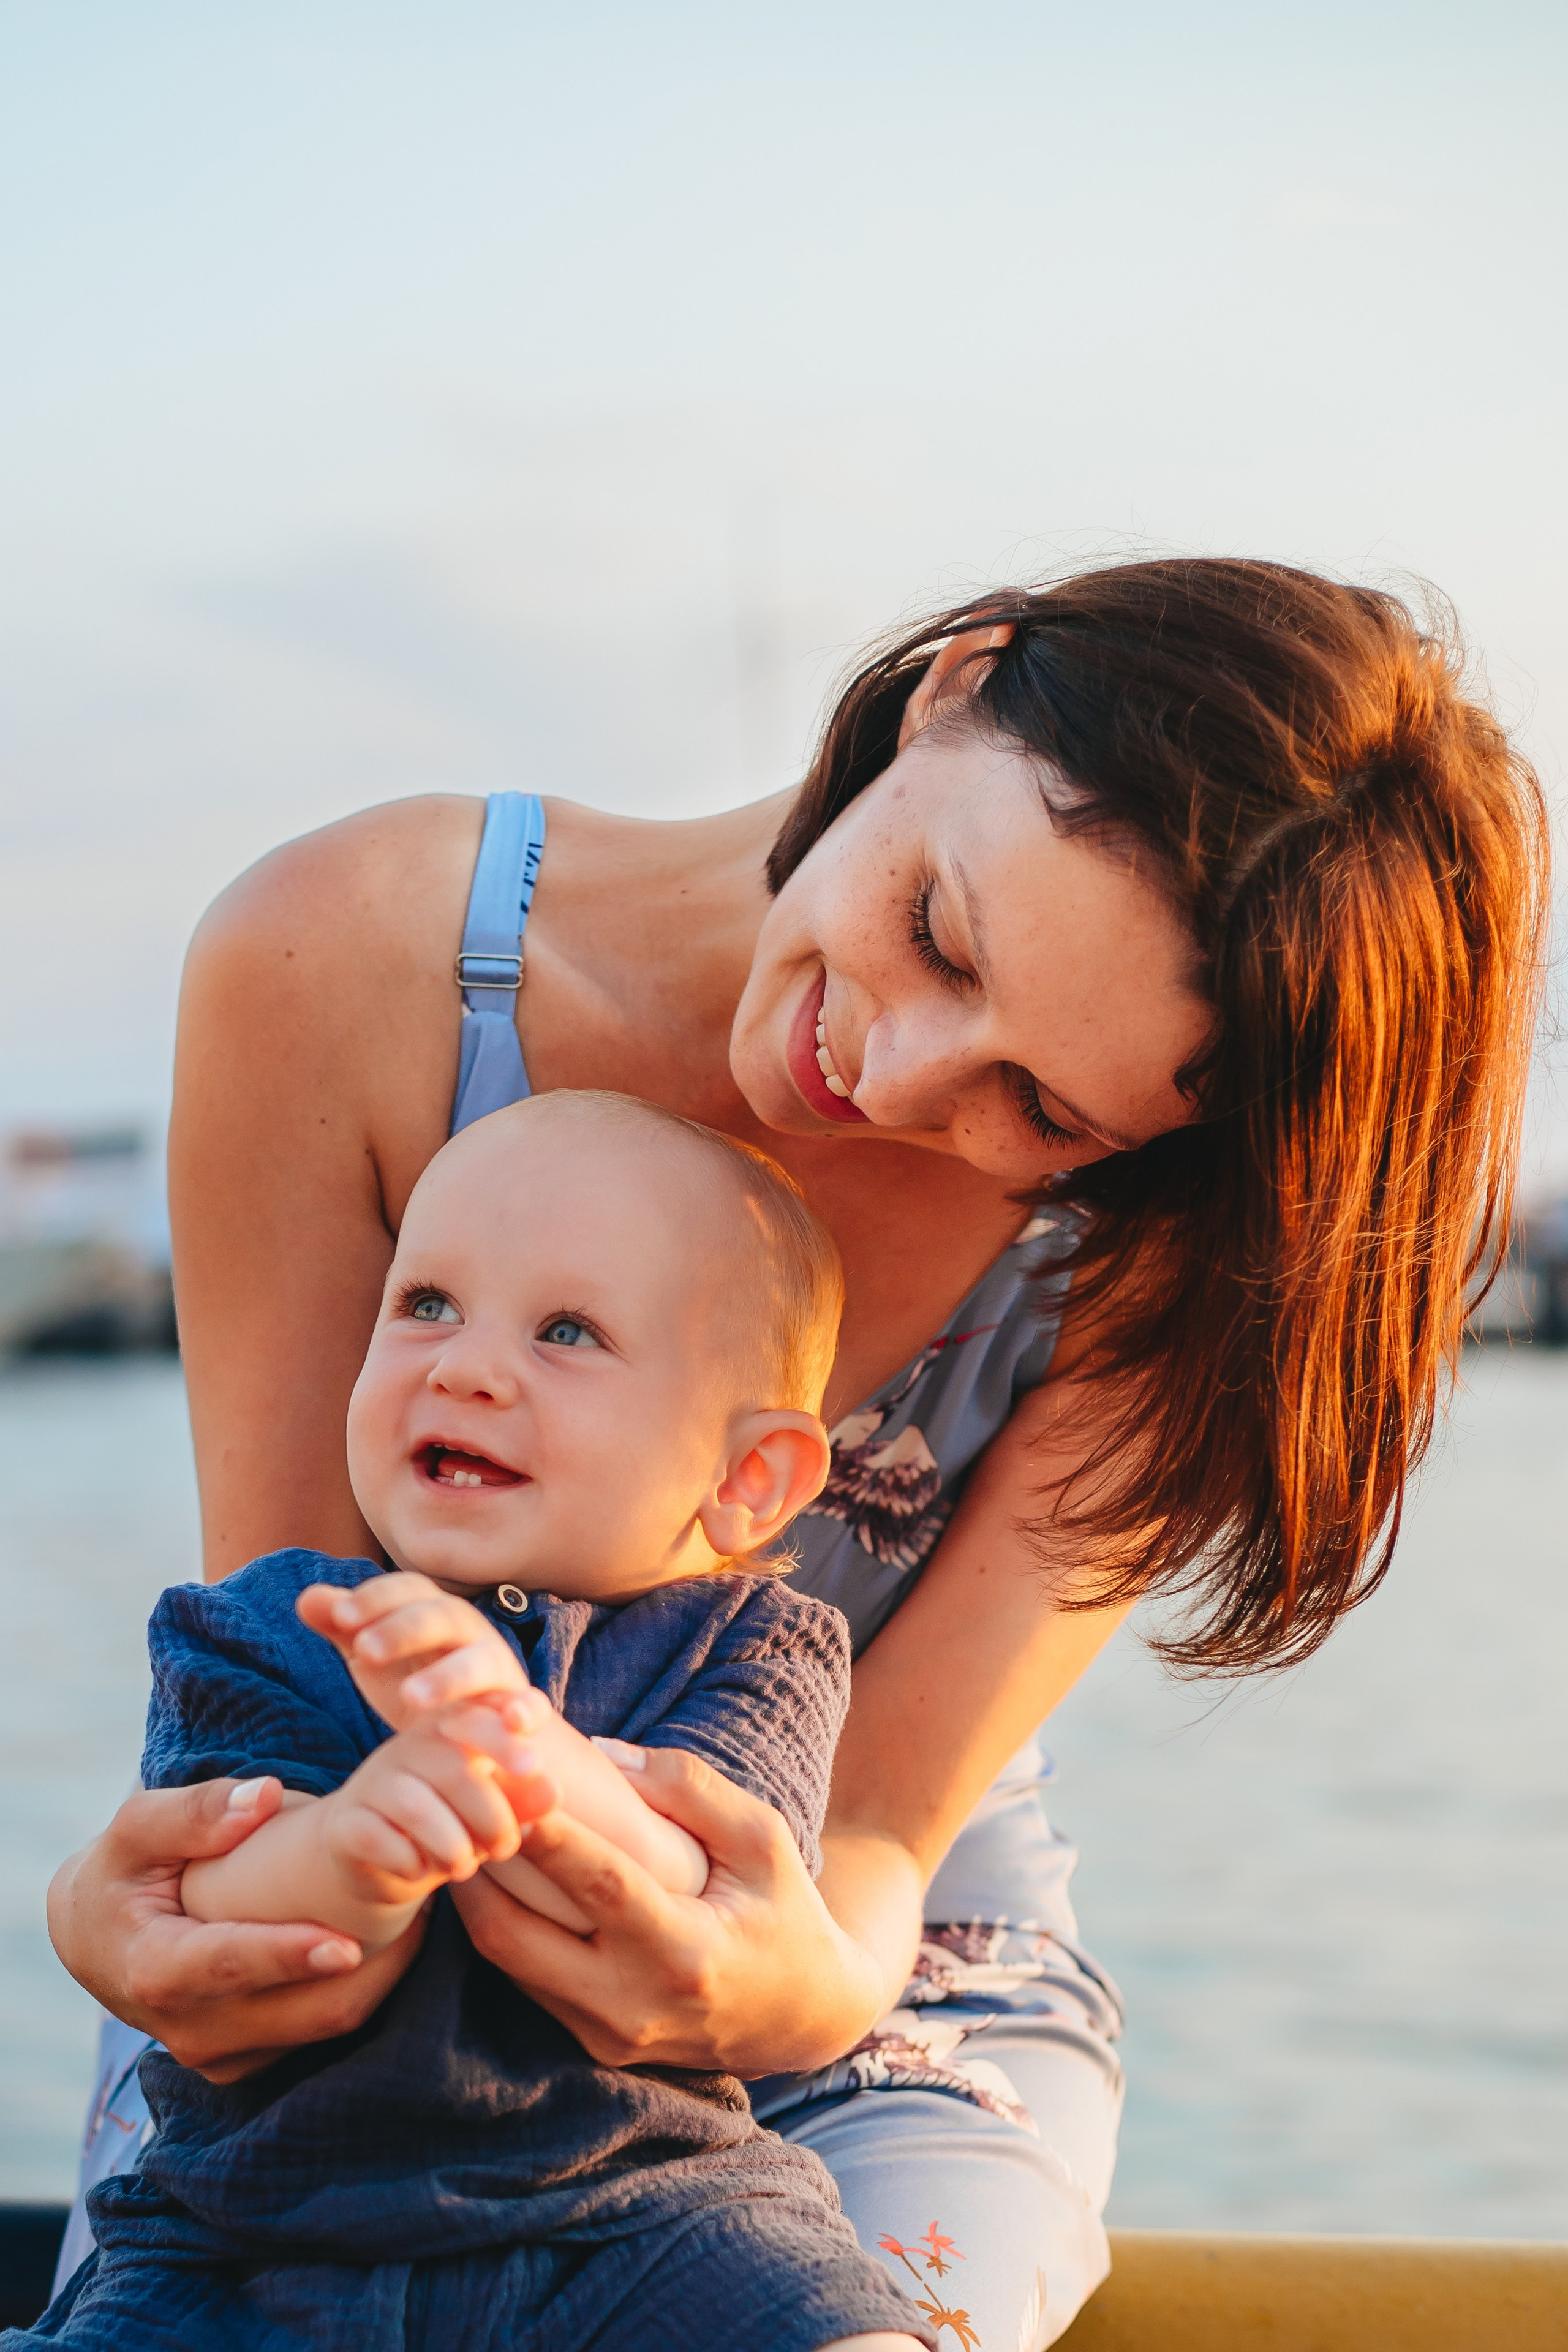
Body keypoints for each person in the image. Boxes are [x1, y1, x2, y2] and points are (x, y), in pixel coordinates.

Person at [47, 561, 1548, 2350]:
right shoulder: (344, 958)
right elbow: (288, 1680)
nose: (898, 1075)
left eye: (1044, 1111)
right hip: (348, 2000)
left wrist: (770, 1982)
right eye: (939, 929)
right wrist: (134, 1912)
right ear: (952, 688)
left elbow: (879, 1828)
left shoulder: (1172, 1240)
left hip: (859, 1959)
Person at [15, 1094, 934, 2352]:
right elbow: (213, 1903)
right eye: (426, 1304)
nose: (463, 1365)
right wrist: (354, 1851)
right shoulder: (273, 1621)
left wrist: (514, 1741)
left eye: (567, 1332)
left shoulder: (757, 1645)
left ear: (744, 1480)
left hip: (637, 2215)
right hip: (256, 2230)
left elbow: (697, 1882)